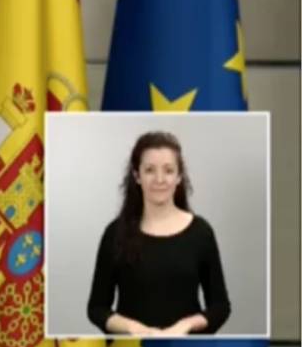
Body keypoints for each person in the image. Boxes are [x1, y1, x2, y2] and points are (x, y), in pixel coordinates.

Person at [86, 131, 231, 336]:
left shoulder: (201, 233)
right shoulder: (115, 233)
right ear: (137, 176)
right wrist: (134, 328)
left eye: (169, 170)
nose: (160, 179)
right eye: (150, 170)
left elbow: (220, 307)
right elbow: (97, 308)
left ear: (179, 177)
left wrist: (185, 326)